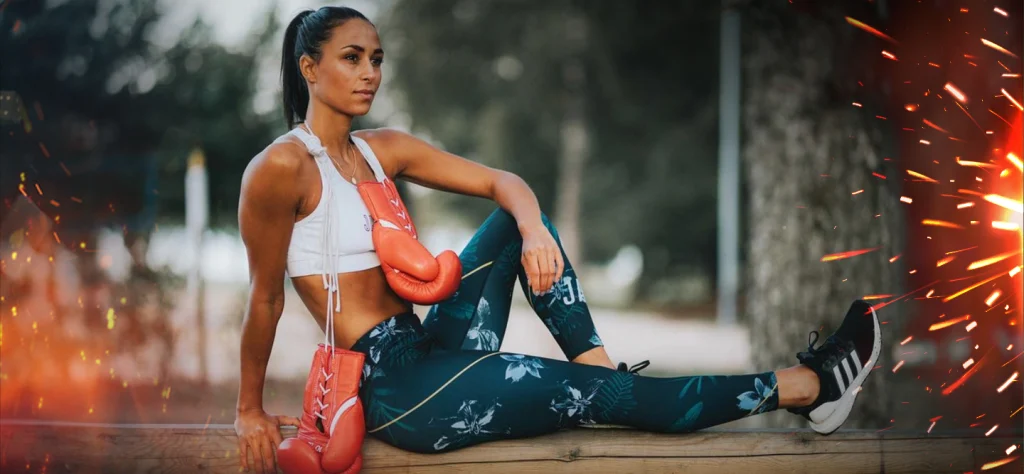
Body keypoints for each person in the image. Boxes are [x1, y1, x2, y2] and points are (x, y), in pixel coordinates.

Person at [233, 6, 882, 473]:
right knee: (606, 399)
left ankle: (600, 371)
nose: (370, 72)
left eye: (376, 58)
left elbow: (505, 182)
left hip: (428, 343)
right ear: (309, 67)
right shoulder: (281, 169)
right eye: (352, 58)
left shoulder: (382, 150)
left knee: (513, 225)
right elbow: (265, 300)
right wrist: (248, 411)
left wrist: (535, 227)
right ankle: (807, 387)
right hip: (392, 388)